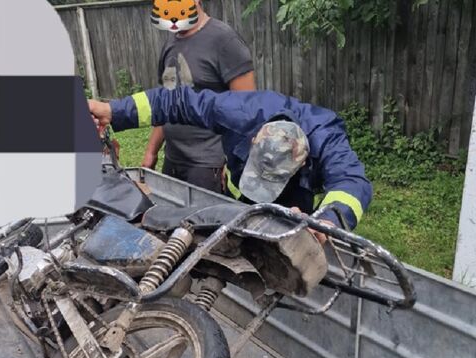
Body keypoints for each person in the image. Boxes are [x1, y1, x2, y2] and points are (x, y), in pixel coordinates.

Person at [89, 86, 373, 242]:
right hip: (252, 159)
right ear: (252, 140)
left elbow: (353, 183)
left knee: (294, 236)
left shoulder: (327, 140)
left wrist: (327, 220)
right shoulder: (239, 113)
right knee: (248, 223)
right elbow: (178, 101)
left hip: (297, 191)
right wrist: (114, 110)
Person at [143, 0, 255, 194]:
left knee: (206, 215)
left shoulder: (225, 41)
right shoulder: (170, 43)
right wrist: (151, 152)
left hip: (207, 166)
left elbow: (246, 111)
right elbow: (166, 104)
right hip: (172, 160)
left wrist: (232, 162)